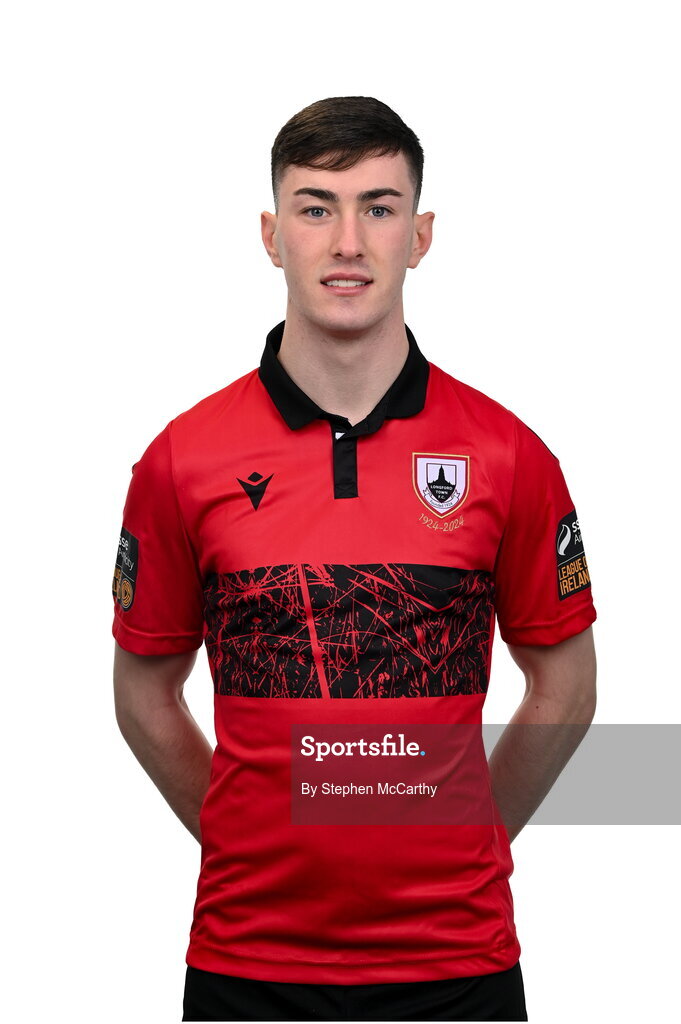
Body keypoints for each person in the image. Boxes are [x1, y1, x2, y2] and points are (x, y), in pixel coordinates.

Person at [112, 96, 597, 1022]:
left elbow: (565, 688)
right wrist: (237, 838)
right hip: (246, 960)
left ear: (419, 235)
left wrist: (476, 838)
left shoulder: (507, 455)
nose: (346, 242)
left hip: (458, 962)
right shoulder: (181, 458)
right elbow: (142, 693)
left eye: (377, 207)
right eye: (314, 206)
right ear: (271, 234)